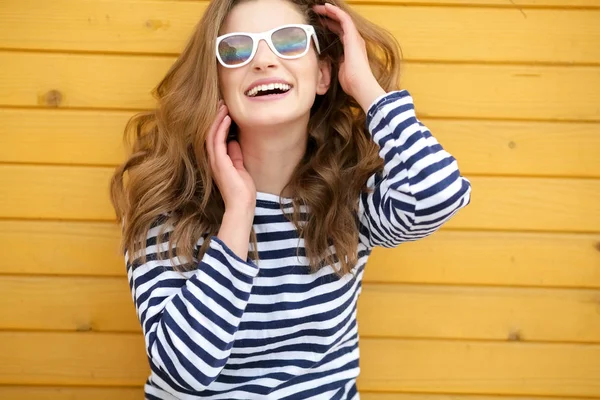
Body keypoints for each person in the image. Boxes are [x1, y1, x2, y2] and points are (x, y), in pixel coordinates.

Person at [109, 0, 472, 398]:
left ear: (322, 76)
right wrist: (238, 213)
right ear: (216, 82)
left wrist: (366, 88)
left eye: (289, 42)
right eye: (236, 49)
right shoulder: (167, 204)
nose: (264, 61)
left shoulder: (348, 199)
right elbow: (184, 370)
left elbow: (440, 193)